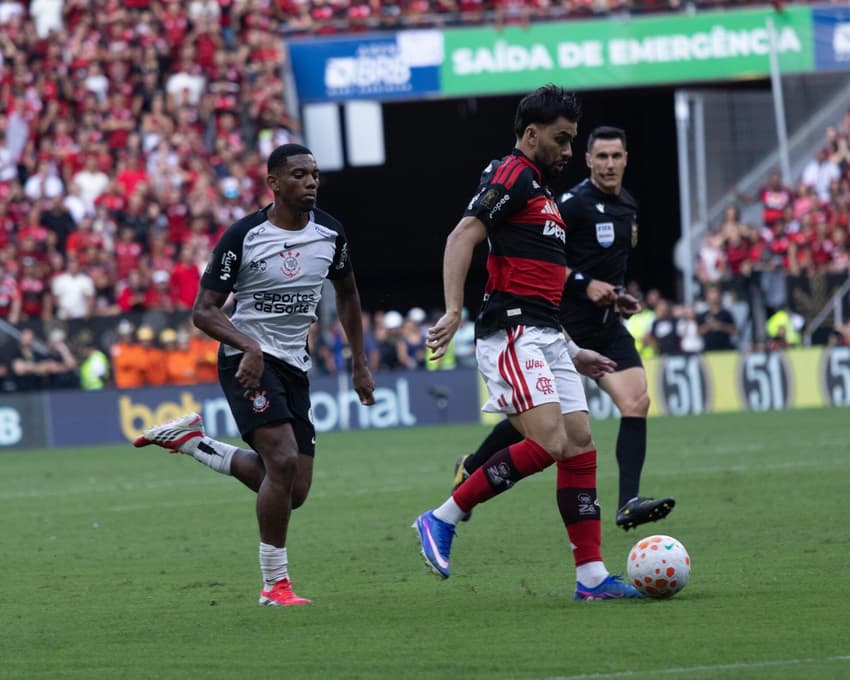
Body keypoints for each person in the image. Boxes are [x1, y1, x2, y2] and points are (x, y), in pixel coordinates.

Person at [412, 86, 640, 600]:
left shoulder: (541, 192)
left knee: (579, 443)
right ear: (532, 134)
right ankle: (442, 517)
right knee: (549, 441)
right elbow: (462, 235)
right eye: (562, 140)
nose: (569, 151)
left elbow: (539, 286)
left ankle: (591, 578)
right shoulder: (512, 174)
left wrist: (572, 349)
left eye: (572, 140)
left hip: (547, 334)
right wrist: (453, 309)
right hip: (512, 332)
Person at [133, 143, 375, 607]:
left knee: (293, 489)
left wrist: (359, 361)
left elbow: (347, 294)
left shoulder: (330, 233)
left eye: (314, 174)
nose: (311, 182)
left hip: (294, 363)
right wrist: (248, 345)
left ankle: (194, 443)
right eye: (299, 175)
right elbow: (203, 311)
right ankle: (274, 585)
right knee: (281, 462)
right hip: (245, 360)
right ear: (274, 183)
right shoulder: (243, 236)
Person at [450, 126, 675, 533]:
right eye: (601, 156)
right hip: (562, 323)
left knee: (636, 401)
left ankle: (628, 502)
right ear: (588, 160)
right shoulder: (570, 204)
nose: (609, 164)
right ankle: (471, 468)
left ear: (626, 159)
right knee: (543, 424)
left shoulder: (628, 206)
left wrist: (617, 296)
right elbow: (548, 261)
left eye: (616, 156)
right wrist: (584, 285)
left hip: (605, 325)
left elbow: (609, 267)